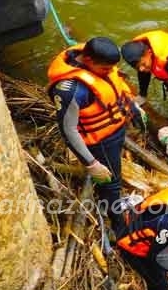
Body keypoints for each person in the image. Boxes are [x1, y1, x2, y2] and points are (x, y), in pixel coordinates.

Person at [47, 37, 146, 229]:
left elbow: (116, 85)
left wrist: (132, 109)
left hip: (115, 129)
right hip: (99, 141)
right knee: (111, 182)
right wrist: (91, 163)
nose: (109, 73)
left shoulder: (100, 62)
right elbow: (68, 129)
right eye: (105, 70)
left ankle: (108, 200)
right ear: (90, 61)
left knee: (113, 173)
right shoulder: (72, 90)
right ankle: (118, 224)